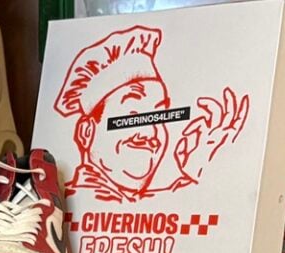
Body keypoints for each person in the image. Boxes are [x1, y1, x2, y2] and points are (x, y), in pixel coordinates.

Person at [53, 25, 249, 203]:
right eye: (133, 115)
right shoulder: (60, 209)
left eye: (159, 116)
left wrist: (200, 173)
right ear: (86, 132)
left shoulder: (155, 207)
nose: (150, 134)